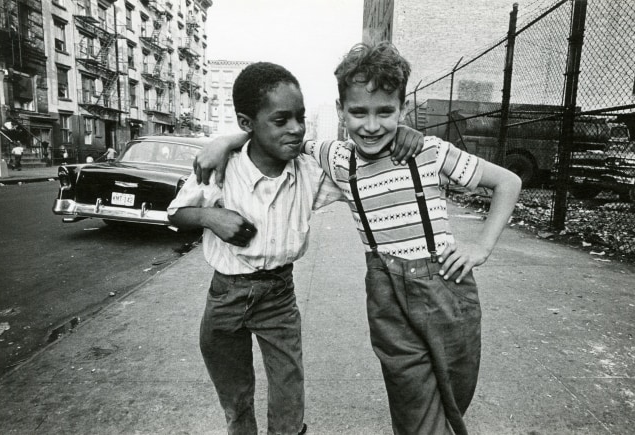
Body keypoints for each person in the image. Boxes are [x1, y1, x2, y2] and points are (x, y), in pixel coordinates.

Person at [195, 42, 522, 435]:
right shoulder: (335, 157)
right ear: (340, 112)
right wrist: (224, 141)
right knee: (412, 399)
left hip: (447, 291)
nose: (371, 125)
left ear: (402, 111)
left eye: (385, 112)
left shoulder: (428, 152)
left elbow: (508, 181)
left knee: (454, 391)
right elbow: (273, 135)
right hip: (386, 293)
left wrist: (480, 246)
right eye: (358, 112)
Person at [167, 62, 345, 435]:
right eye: (281, 120)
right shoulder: (221, 169)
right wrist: (211, 218)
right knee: (235, 394)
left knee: (288, 389)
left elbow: (360, 163)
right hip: (225, 296)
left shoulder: (309, 172)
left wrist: (404, 136)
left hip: (279, 295)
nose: (296, 128)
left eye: (300, 117)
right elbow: (176, 214)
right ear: (247, 123)